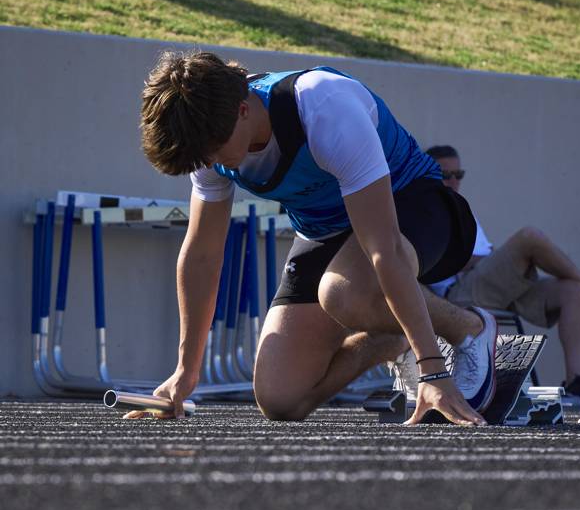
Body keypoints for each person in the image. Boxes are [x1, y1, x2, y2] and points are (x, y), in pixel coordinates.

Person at [134, 50, 500, 426]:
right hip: (327, 231)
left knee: (344, 293)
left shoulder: (322, 105)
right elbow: (201, 256)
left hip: (412, 204)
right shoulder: (210, 141)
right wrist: (185, 372)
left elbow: (384, 247)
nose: (211, 164)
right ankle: (390, 339)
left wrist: (433, 371)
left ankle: (472, 328)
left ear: (243, 110)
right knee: (281, 398)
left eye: (212, 152)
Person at [425, 145, 580, 402]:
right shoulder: (428, 212)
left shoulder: (461, 208)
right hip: (460, 293)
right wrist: (487, 259)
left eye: (458, 174)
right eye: (445, 174)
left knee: (570, 290)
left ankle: (576, 381)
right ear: (429, 175)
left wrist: (492, 259)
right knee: (529, 238)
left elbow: (484, 254)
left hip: (490, 287)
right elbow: (435, 264)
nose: (453, 181)